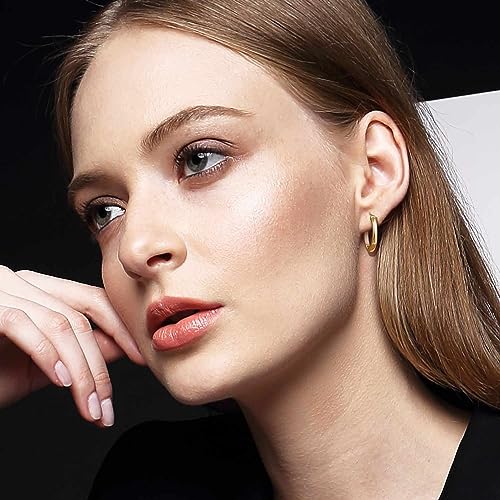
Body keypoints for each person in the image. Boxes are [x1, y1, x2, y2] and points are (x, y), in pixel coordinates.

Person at [1, 0, 499, 498]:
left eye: (200, 159)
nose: (135, 247)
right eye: (106, 211)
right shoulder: (145, 485)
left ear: (374, 171)